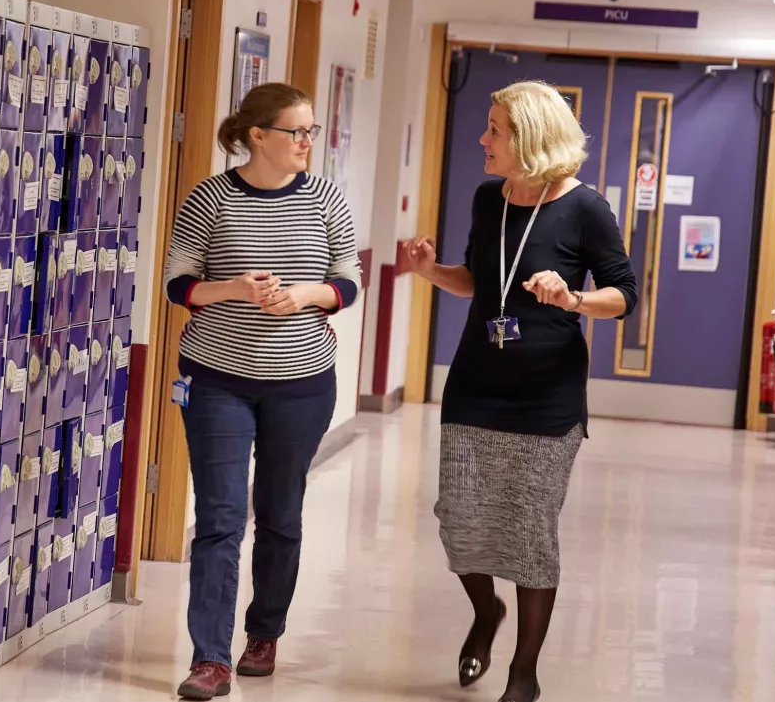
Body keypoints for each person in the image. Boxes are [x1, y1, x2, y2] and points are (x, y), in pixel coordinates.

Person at [406, 81, 637, 702]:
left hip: (546, 397)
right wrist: (430, 272)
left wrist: (573, 298)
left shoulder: (586, 208)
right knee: (460, 521)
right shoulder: (489, 198)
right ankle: (486, 614)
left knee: (530, 530)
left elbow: (625, 295)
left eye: (495, 131)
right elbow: (479, 279)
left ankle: (524, 672)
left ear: (530, 138)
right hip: (476, 385)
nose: (483, 140)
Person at [163, 83, 361, 700]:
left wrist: (303, 295)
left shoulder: (327, 199)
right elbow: (178, 282)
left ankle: (264, 633)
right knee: (220, 517)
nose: (306, 143)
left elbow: (347, 280)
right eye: (295, 132)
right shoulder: (212, 198)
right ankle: (209, 659)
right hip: (217, 378)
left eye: (310, 132)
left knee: (280, 515)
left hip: (302, 382)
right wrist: (235, 289)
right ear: (257, 136)